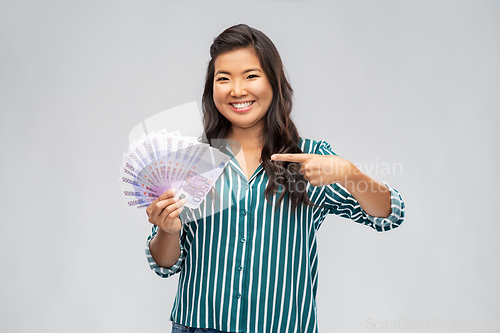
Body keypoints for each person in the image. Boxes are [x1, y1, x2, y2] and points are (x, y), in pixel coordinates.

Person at [145, 24, 405, 333]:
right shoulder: (191, 163)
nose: (237, 90)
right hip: (198, 326)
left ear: (273, 82)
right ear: (211, 88)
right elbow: (165, 264)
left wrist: (349, 173)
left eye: (251, 76)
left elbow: (389, 215)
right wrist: (168, 231)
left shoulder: (311, 159)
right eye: (223, 78)